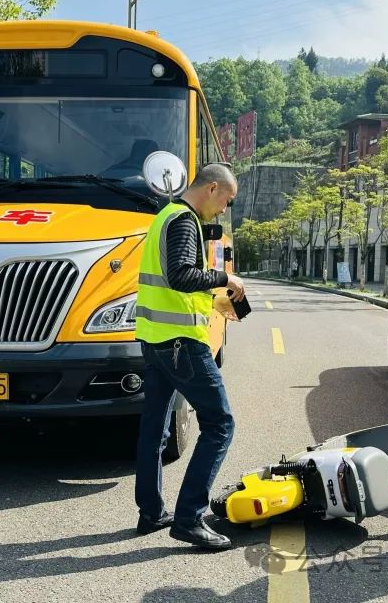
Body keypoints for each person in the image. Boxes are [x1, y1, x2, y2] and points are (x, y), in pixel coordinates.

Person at [134, 163, 246, 550]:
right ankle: (189, 519)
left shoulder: (164, 214)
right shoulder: (183, 220)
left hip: (155, 339)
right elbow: (181, 275)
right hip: (181, 344)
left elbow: (170, 283)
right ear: (212, 188)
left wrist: (215, 302)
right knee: (220, 424)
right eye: (226, 201)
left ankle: (150, 512)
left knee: (155, 428)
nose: (223, 210)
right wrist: (225, 279)